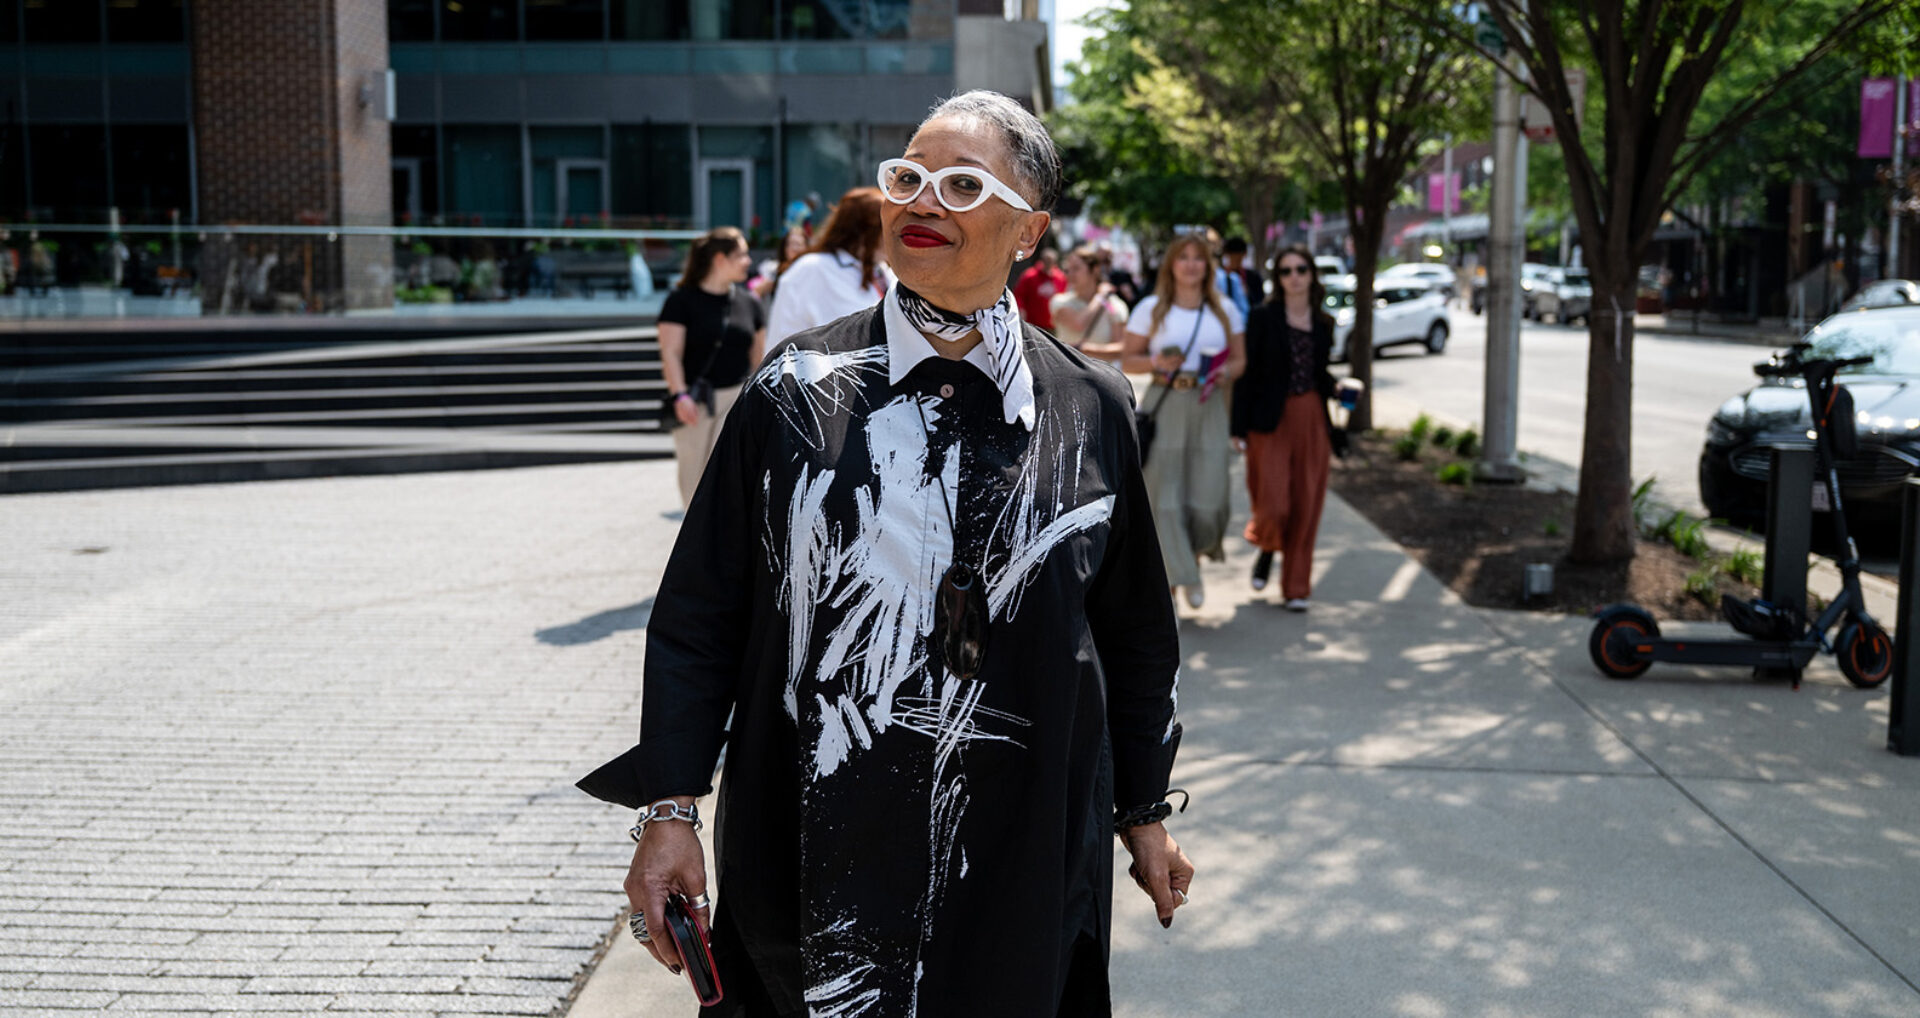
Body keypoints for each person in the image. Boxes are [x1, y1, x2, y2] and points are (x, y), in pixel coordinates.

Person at [580, 88, 1193, 1017]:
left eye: (958, 184)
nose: (922, 202)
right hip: (814, 863)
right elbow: (701, 614)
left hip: (1020, 863)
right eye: (907, 178)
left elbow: (1135, 629)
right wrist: (670, 810)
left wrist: (1144, 812)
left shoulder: (1090, 406)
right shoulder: (793, 393)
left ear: (1030, 231)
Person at [1121, 232, 1246, 610]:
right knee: (1166, 498)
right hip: (1165, 401)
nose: (1191, 264)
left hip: (1209, 404)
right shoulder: (1152, 308)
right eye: (1183, 257)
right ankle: (1177, 580)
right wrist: (1157, 362)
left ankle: (1191, 561)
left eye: (1199, 257)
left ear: (1208, 265)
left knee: (1208, 498)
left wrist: (1225, 373)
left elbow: (1241, 360)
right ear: (1171, 264)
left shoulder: (1224, 308)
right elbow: (1129, 360)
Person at [1232, 245, 1340, 611]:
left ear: (1311, 275)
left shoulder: (1324, 323)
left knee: (1307, 504)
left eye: (1301, 270)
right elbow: (1248, 374)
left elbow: (1319, 373)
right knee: (1274, 503)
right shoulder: (1264, 317)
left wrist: (1337, 387)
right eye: (1286, 271)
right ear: (1278, 279)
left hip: (1311, 415)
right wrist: (1238, 427)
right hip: (1269, 419)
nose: (1294, 277)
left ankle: (1296, 587)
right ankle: (1266, 546)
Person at [656, 227, 767, 508]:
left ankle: (727, 548)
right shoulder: (680, 301)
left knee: (732, 481)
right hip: (695, 402)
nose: (748, 261)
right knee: (693, 482)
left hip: (736, 399)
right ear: (720, 259)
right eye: (741, 255)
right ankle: (695, 548)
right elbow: (670, 353)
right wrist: (679, 395)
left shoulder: (749, 303)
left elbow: (758, 359)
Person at [764, 187, 892, 344]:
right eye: (887, 227)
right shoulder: (810, 270)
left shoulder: (883, 272)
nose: (895, 234)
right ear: (865, 231)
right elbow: (779, 343)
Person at [1049, 243, 1129, 360]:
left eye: (1076, 268)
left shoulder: (1115, 305)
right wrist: (1100, 297)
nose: (1069, 274)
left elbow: (1121, 348)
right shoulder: (1060, 301)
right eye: (1067, 269)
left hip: (1101, 375)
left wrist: (1086, 349)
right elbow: (1078, 324)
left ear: (1095, 270)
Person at [1013, 246, 1067, 330]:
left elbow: (1065, 296)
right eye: (1046, 261)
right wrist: (1021, 311)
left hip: (1053, 325)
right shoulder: (1030, 276)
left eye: (1051, 262)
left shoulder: (1060, 277)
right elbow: (1019, 295)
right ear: (1042, 261)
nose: (1048, 264)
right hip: (1033, 324)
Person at [750, 226, 807, 301]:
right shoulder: (775, 271)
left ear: (806, 247)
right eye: (790, 244)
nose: (794, 248)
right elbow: (754, 295)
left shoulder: (811, 272)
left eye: (798, 244)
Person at [1222, 236, 1264, 308]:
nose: (1235, 260)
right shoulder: (1221, 276)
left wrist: (1247, 292)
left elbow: (1259, 302)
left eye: (1238, 258)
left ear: (1244, 254)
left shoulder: (1254, 277)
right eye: (1232, 256)